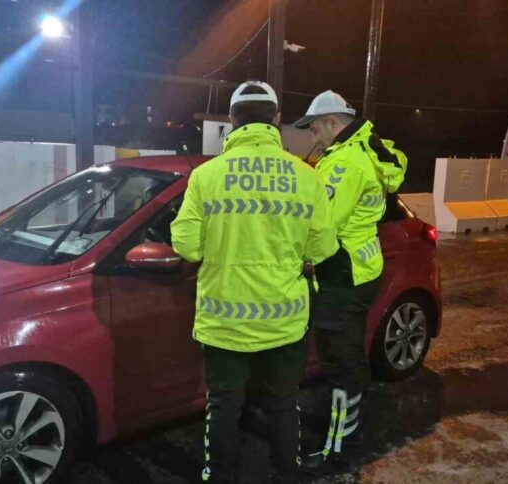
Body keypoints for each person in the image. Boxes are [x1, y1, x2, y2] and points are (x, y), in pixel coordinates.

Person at [171, 80, 337, 483]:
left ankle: (220, 477)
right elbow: (324, 246)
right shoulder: (306, 176)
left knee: (224, 406)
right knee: (283, 404)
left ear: (232, 119)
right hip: (284, 320)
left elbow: (187, 245)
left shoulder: (206, 176)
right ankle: (286, 473)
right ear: (276, 119)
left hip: (224, 322)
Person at [292, 90, 407, 470]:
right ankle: (351, 429)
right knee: (349, 357)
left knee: (341, 362)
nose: (314, 138)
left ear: (333, 123)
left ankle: (339, 448)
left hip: (343, 274)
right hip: (358, 268)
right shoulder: (360, 153)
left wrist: (294, 254)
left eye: (315, 129)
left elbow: (322, 225)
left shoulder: (346, 164)